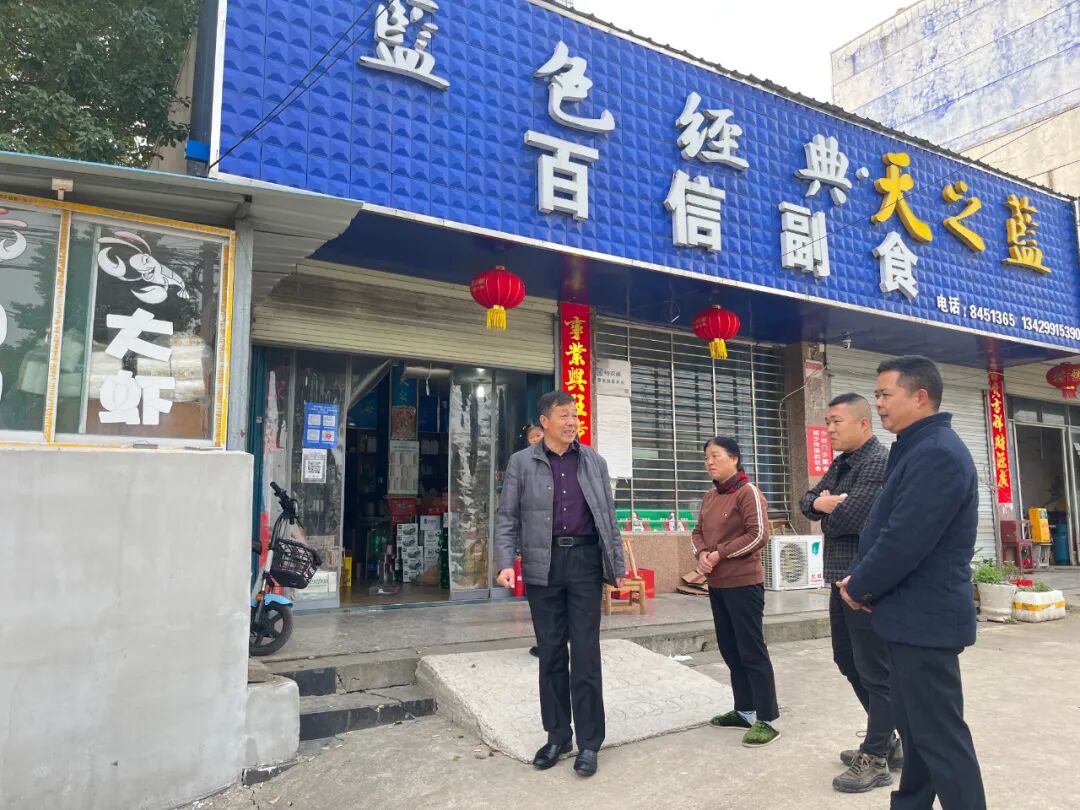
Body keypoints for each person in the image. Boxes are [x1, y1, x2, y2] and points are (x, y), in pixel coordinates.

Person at [840, 356, 986, 810]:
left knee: (941, 737)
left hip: (926, 619)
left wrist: (859, 586)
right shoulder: (916, 447)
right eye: (877, 395)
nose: (879, 403)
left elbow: (905, 539)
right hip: (907, 617)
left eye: (886, 394)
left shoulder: (937, 453)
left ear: (920, 396)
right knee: (917, 730)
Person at [494, 390, 625, 777]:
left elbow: (608, 517)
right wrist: (505, 562)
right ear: (544, 422)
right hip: (543, 564)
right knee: (550, 653)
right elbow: (507, 517)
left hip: (584, 562)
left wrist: (616, 567)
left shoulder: (594, 461)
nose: (572, 422)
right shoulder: (522, 463)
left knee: (585, 654)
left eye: (575, 415)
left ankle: (589, 743)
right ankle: (557, 736)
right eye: (564, 415)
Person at [800, 393, 898, 793]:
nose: (829, 429)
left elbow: (849, 519)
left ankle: (875, 756)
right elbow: (806, 502)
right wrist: (823, 504)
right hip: (838, 578)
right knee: (847, 660)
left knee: (875, 670)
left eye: (836, 421)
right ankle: (886, 739)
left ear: (862, 423)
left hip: (863, 581)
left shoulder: (878, 462)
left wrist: (825, 510)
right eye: (827, 421)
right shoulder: (842, 463)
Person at [693, 436, 780, 748]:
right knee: (730, 649)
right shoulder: (710, 496)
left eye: (715, 456)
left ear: (734, 459)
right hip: (718, 584)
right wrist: (702, 553)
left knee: (751, 650)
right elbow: (697, 532)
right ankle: (744, 711)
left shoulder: (748, 492)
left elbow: (759, 535)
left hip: (744, 584)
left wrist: (720, 553)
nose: (709, 462)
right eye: (706, 457)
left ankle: (767, 719)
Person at [523, 423, 544, 660]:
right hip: (535, 544)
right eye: (532, 437)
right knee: (540, 602)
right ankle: (544, 642)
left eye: (539, 435)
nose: (536, 439)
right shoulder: (523, 464)